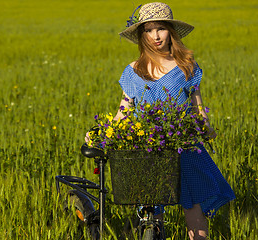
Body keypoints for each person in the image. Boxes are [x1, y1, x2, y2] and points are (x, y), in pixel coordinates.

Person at [87, 2, 236, 239]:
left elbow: (198, 109)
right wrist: (102, 134)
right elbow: (123, 112)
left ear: (171, 31)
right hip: (145, 149)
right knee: (150, 208)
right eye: (148, 30)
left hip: (182, 146)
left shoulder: (187, 66)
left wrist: (206, 129)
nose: (155, 36)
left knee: (193, 206)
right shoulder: (133, 70)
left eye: (161, 29)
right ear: (141, 35)